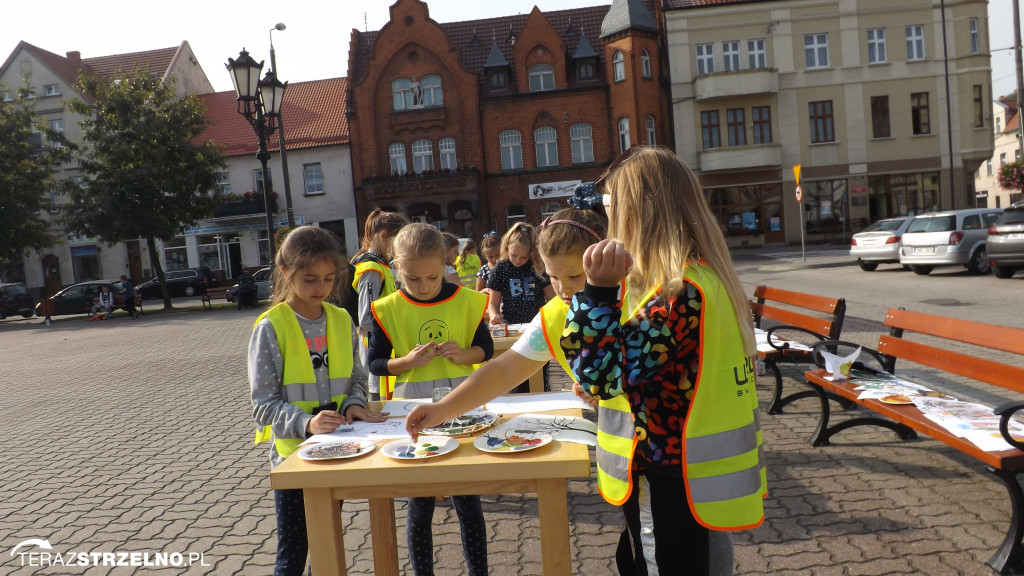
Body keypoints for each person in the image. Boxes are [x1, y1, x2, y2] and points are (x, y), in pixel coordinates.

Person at [562, 147, 765, 575]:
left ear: (639, 214)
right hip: (691, 474)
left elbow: (601, 376)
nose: (609, 221)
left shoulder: (677, 293)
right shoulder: (704, 278)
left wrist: (597, 292)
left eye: (614, 209)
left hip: (669, 474)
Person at [405, 191, 609, 434]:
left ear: (603, 259)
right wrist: (443, 409)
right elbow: (504, 370)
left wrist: (607, 384)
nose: (563, 288)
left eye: (574, 276)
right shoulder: (554, 316)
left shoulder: (637, 302)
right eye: (553, 276)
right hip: (615, 456)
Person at [249, 225, 386, 576]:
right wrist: (306, 422)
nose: (320, 289)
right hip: (293, 458)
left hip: (336, 450)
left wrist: (354, 404)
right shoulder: (271, 326)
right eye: (309, 279)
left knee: (326, 543)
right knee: (294, 552)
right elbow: (263, 405)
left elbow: (355, 379)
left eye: (328, 279)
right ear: (286, 273)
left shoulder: (341, 319)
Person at [366, 222, 492, 576]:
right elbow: (376, 362)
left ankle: (478, 572)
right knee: (419, 503)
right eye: (412, 279)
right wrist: (406, 362)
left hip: (463, 415)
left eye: (432, 278)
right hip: (413, 420)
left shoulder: (467, 301)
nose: (423, 287)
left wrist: (465, 354)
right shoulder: (387, 308)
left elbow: (485, 350)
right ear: (397, 270)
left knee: (468, 502)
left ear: (446, 265)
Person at [351, 208, 408, 400]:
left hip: (386, 352)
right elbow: (366, 317)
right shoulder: (371, 269)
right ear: (384, 236)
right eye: (397, 242)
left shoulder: (383, 266)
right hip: (374, 355)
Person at [486, 222, 554, 325]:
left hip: (538, 324)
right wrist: (494, 316)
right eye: (514, 255)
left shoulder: (538, 266)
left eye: (524, 257)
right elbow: (493, 303)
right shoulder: (500, 268)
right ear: (506, 249)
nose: (518, 260)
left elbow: (552, 299)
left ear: (531, 253)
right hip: (511, 324)